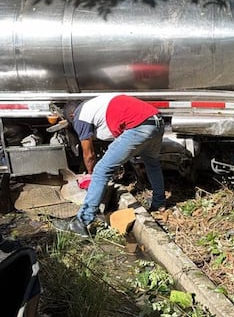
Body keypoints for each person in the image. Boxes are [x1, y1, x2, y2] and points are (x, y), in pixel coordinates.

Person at [62, 94, 166, 236]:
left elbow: (89, 155)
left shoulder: (80, 116)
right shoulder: (94, 105)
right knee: (152, 164)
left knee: (100, 170)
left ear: (72, 116)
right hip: (157, 122)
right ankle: (159, 203)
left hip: (139, 126)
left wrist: (92, 177)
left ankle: (81, 222)